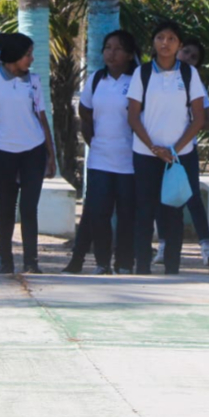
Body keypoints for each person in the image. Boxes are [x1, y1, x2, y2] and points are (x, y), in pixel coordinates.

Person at [0, 33, 57, 274]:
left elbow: (42, 117)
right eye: (27, 54)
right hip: (2, 152)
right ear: (14, 55)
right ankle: (5, 260)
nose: (31, 59)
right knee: (5, 208)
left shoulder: (34, 81)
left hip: (33, 151)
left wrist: (51, 154)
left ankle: (31, 262)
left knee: (29, 208)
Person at [128, 22, 209, 275]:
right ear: (153, 42)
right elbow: (132, 116)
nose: (165, 42)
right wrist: (154, 148)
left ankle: (172, 268)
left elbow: (199, 118)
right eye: (160, 37)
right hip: (146, 155)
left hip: (179, 156)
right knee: (144, 212)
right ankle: (141, 267)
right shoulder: (141, 73)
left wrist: (174, 149)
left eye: (172, 38)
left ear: (179, 45)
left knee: (174, 212)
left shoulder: (189, 74)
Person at [64, 30, 138, 275]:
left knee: (127, 215)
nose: (111, 53)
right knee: (98, 214)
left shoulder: (138, 79)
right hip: (100, 160)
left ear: (129, 54)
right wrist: (93, 141)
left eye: (117, 48)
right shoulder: (96, 79)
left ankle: (125, 262)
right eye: (107, 47)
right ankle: (102, 262)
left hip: (130, 161)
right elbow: (85, 112)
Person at [152, 37, 209, 267]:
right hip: (157, 148)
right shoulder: (151, 76)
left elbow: (205, 119)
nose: (187, 58)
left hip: (184, 149)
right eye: (186, 52)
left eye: (193, 57)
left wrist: (191, 118)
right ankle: (164, 244)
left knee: (192, 196)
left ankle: (206, 246)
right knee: (162, 197)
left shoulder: (193, 82)